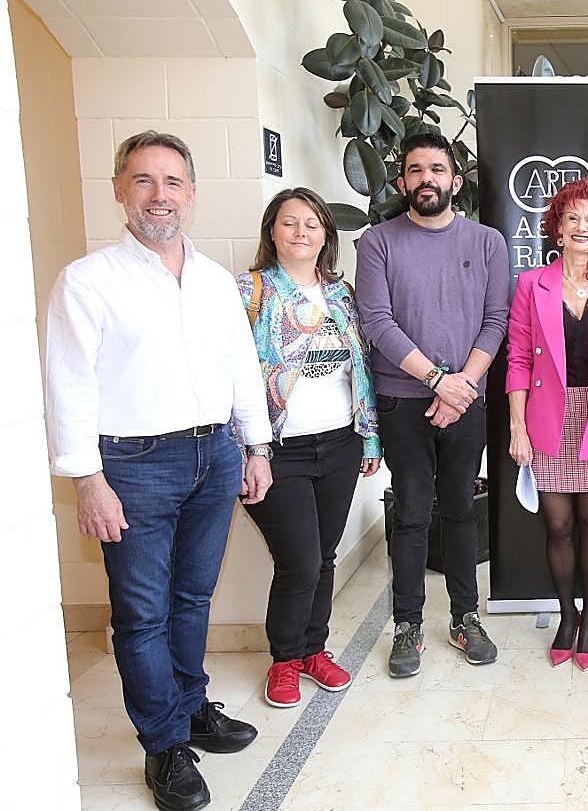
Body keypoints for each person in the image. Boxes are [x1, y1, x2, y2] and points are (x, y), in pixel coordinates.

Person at [44, 131, 272, 811]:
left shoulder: (211, 281)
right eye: (143, 181)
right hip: (133, 466)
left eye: (172, 182)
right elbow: (69, 384)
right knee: (141, 615)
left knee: (192, 600)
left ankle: (192, 706)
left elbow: (239, 365)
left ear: (192, 194)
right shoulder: (87, 282)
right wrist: (88, 479)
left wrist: (256, 448)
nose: (159, 195)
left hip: (215, 456)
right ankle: (165, 746)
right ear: (119, 190)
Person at [356, 131, 509, 678]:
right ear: (403, 182)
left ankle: (466, 617)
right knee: (414, 512)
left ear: (455, 181)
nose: (427, 178)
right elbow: (376, 320)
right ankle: (407, 624)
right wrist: (438, 381)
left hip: (468, 399)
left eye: (437, 169)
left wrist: (461, 385)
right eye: (416, 170)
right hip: (404, 401)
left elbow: (496, 321)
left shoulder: (488, 242)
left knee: (462, 512)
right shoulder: (378, 241)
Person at [235, 188, 383, 708]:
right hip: (277, 451)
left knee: (322, 556)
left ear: (327, 235)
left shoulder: (342, 295)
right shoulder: (248, 292)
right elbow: (232, 376)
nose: (301, 233)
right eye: (289, 223)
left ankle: (313, 651)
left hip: (339, 442)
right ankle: (284, 660)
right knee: (298, 560)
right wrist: (250, 449)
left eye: (312, 224)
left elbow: (359, 370)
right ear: (271, 231)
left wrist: (368, 435)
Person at [506, 179, 588, 671]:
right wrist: (518, 427)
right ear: (557, 230)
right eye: (572, 219)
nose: (581, 227)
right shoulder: (530, 285)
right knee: (557, 525)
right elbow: (518, 358)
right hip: (548, 417)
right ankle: (566, 615)